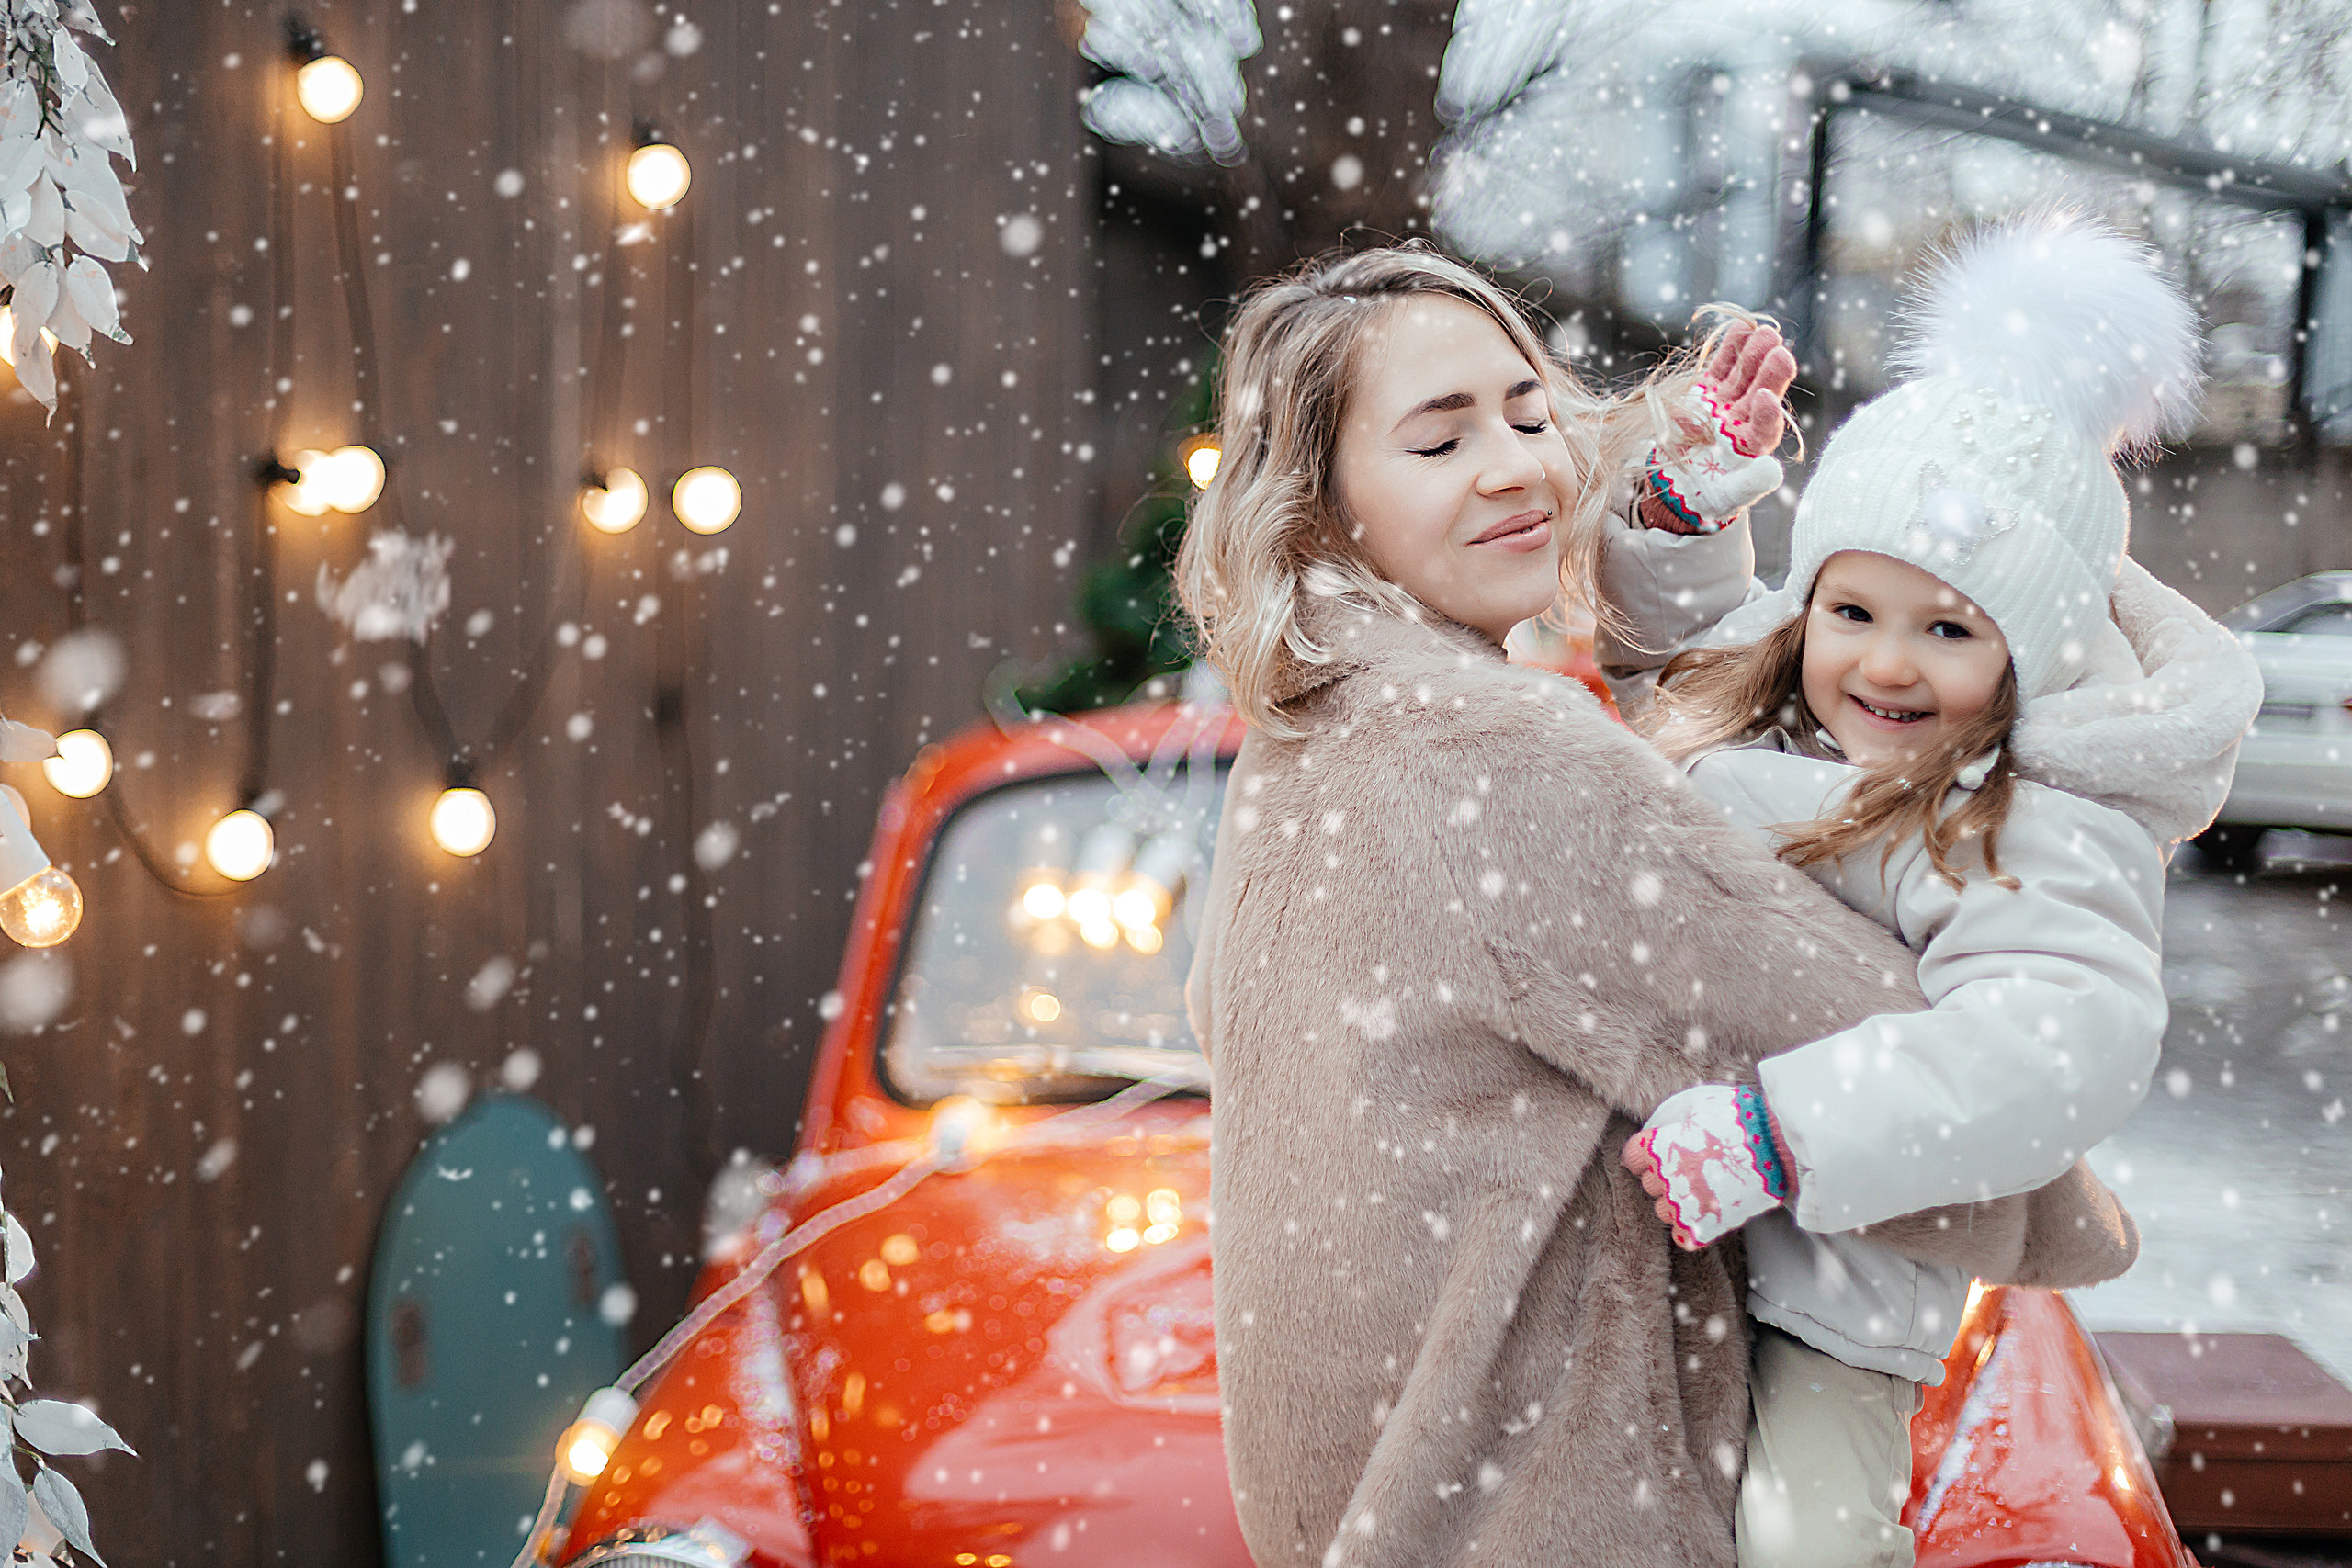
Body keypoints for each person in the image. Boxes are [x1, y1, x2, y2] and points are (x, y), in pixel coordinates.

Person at [1175, 242, 2137, 1568]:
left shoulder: (1313, 731)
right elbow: (1827, 1021)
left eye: (1527, 412)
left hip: (1391, 1508)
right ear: (1324, 503)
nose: (1518, 465)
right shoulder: (1487, 753)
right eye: (1441, 440)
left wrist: (1678, 525)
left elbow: (1704, 705)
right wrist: (2057, 1169)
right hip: (1551, 1505)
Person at [1608, 214, 2263, 1567]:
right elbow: (1670, 640)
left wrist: (1784, 1130)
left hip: (1829, 1286)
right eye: (1853, 613)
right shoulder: (1787, 709)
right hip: (1654, 1229)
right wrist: (1687, 502)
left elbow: (2054, 1044)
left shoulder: (2030, 825)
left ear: (2033, 659)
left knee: (1800, 1536)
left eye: (1951, 630)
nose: (1887, 667)